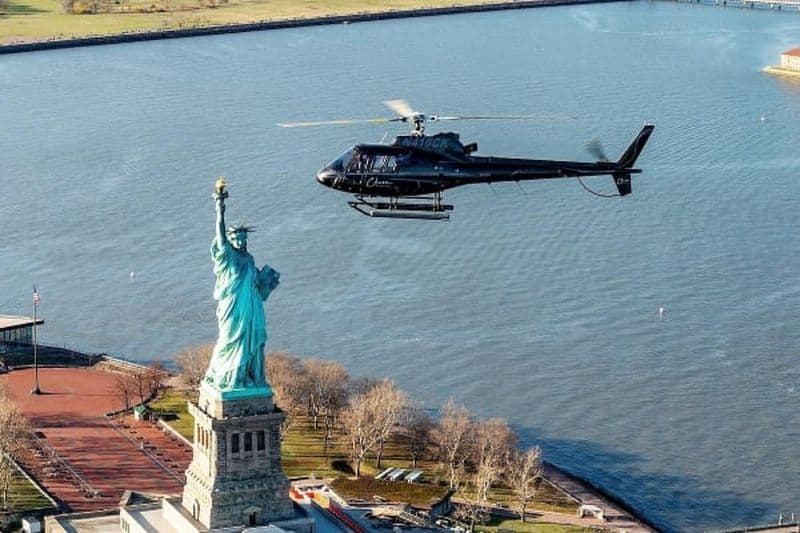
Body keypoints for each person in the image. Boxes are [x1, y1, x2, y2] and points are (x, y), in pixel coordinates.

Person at [203, 179, 280, 391]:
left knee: (254, 339)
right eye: (237, 238)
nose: (241, 241)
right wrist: (220, 206)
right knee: (229, 341)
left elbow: (256, 284)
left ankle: (251, 378)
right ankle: (226, 378)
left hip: (252, 306)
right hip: (233, 307)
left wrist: (268, 282)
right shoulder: (227, 257)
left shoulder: (249, 259)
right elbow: (219, 231)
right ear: (229, 240)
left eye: (243, 238)